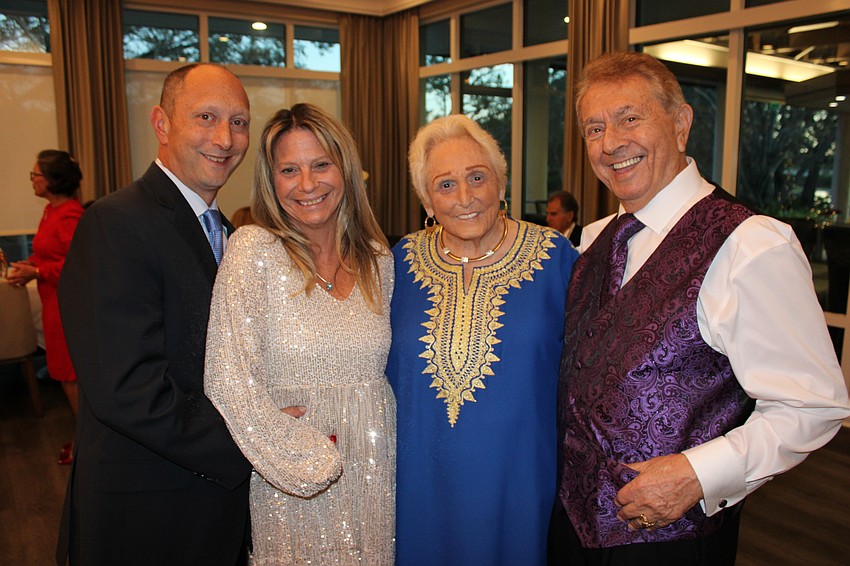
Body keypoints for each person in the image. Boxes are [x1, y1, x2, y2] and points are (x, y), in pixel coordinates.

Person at [550, 51, 850, 565]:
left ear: (681, 122)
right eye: (594, 128)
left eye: (630, 118)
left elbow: (812, 404)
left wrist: (698, 474)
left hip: (671, 543)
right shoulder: (594, 241)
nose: (611, 142)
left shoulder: (749, 245)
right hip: (569, 531)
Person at [56, 63, 253, 565]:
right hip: (146, 515)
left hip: (208, 510)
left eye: (238, 122)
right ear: (161, 124)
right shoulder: (116, 222)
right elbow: (127, 390)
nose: (224, 138)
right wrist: (254, 443)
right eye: (205, 117)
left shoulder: (227, 232)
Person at [204, 103, 396, 564]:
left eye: (321, 165)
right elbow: (226, 378)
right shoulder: (253, 250)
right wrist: (302, 457)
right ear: (272, 182)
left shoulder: (377, 259)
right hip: (290, 479)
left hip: (373, 471)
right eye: (289, 169)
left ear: (345, 170)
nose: (307, 185)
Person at [387, 114, 579, 565]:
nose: (466, 197)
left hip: (520, 481)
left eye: (478, 177)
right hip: (418, 483)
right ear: (426, 200)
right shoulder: (399, 262)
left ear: (501, 183)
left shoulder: (555, 258)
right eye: (446, 185)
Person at [7, 150, 84, 464]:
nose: (32, 180)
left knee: (70, 375)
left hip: (66, 304)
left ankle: (85, 443)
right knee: (64, 374)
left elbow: (77, 265)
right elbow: (49, 253)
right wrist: (31, 264)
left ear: (52, 180)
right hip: (52, 302)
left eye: (35, 175)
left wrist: (38, 272)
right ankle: (83, 438)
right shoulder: (50, 212)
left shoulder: (70, 215)